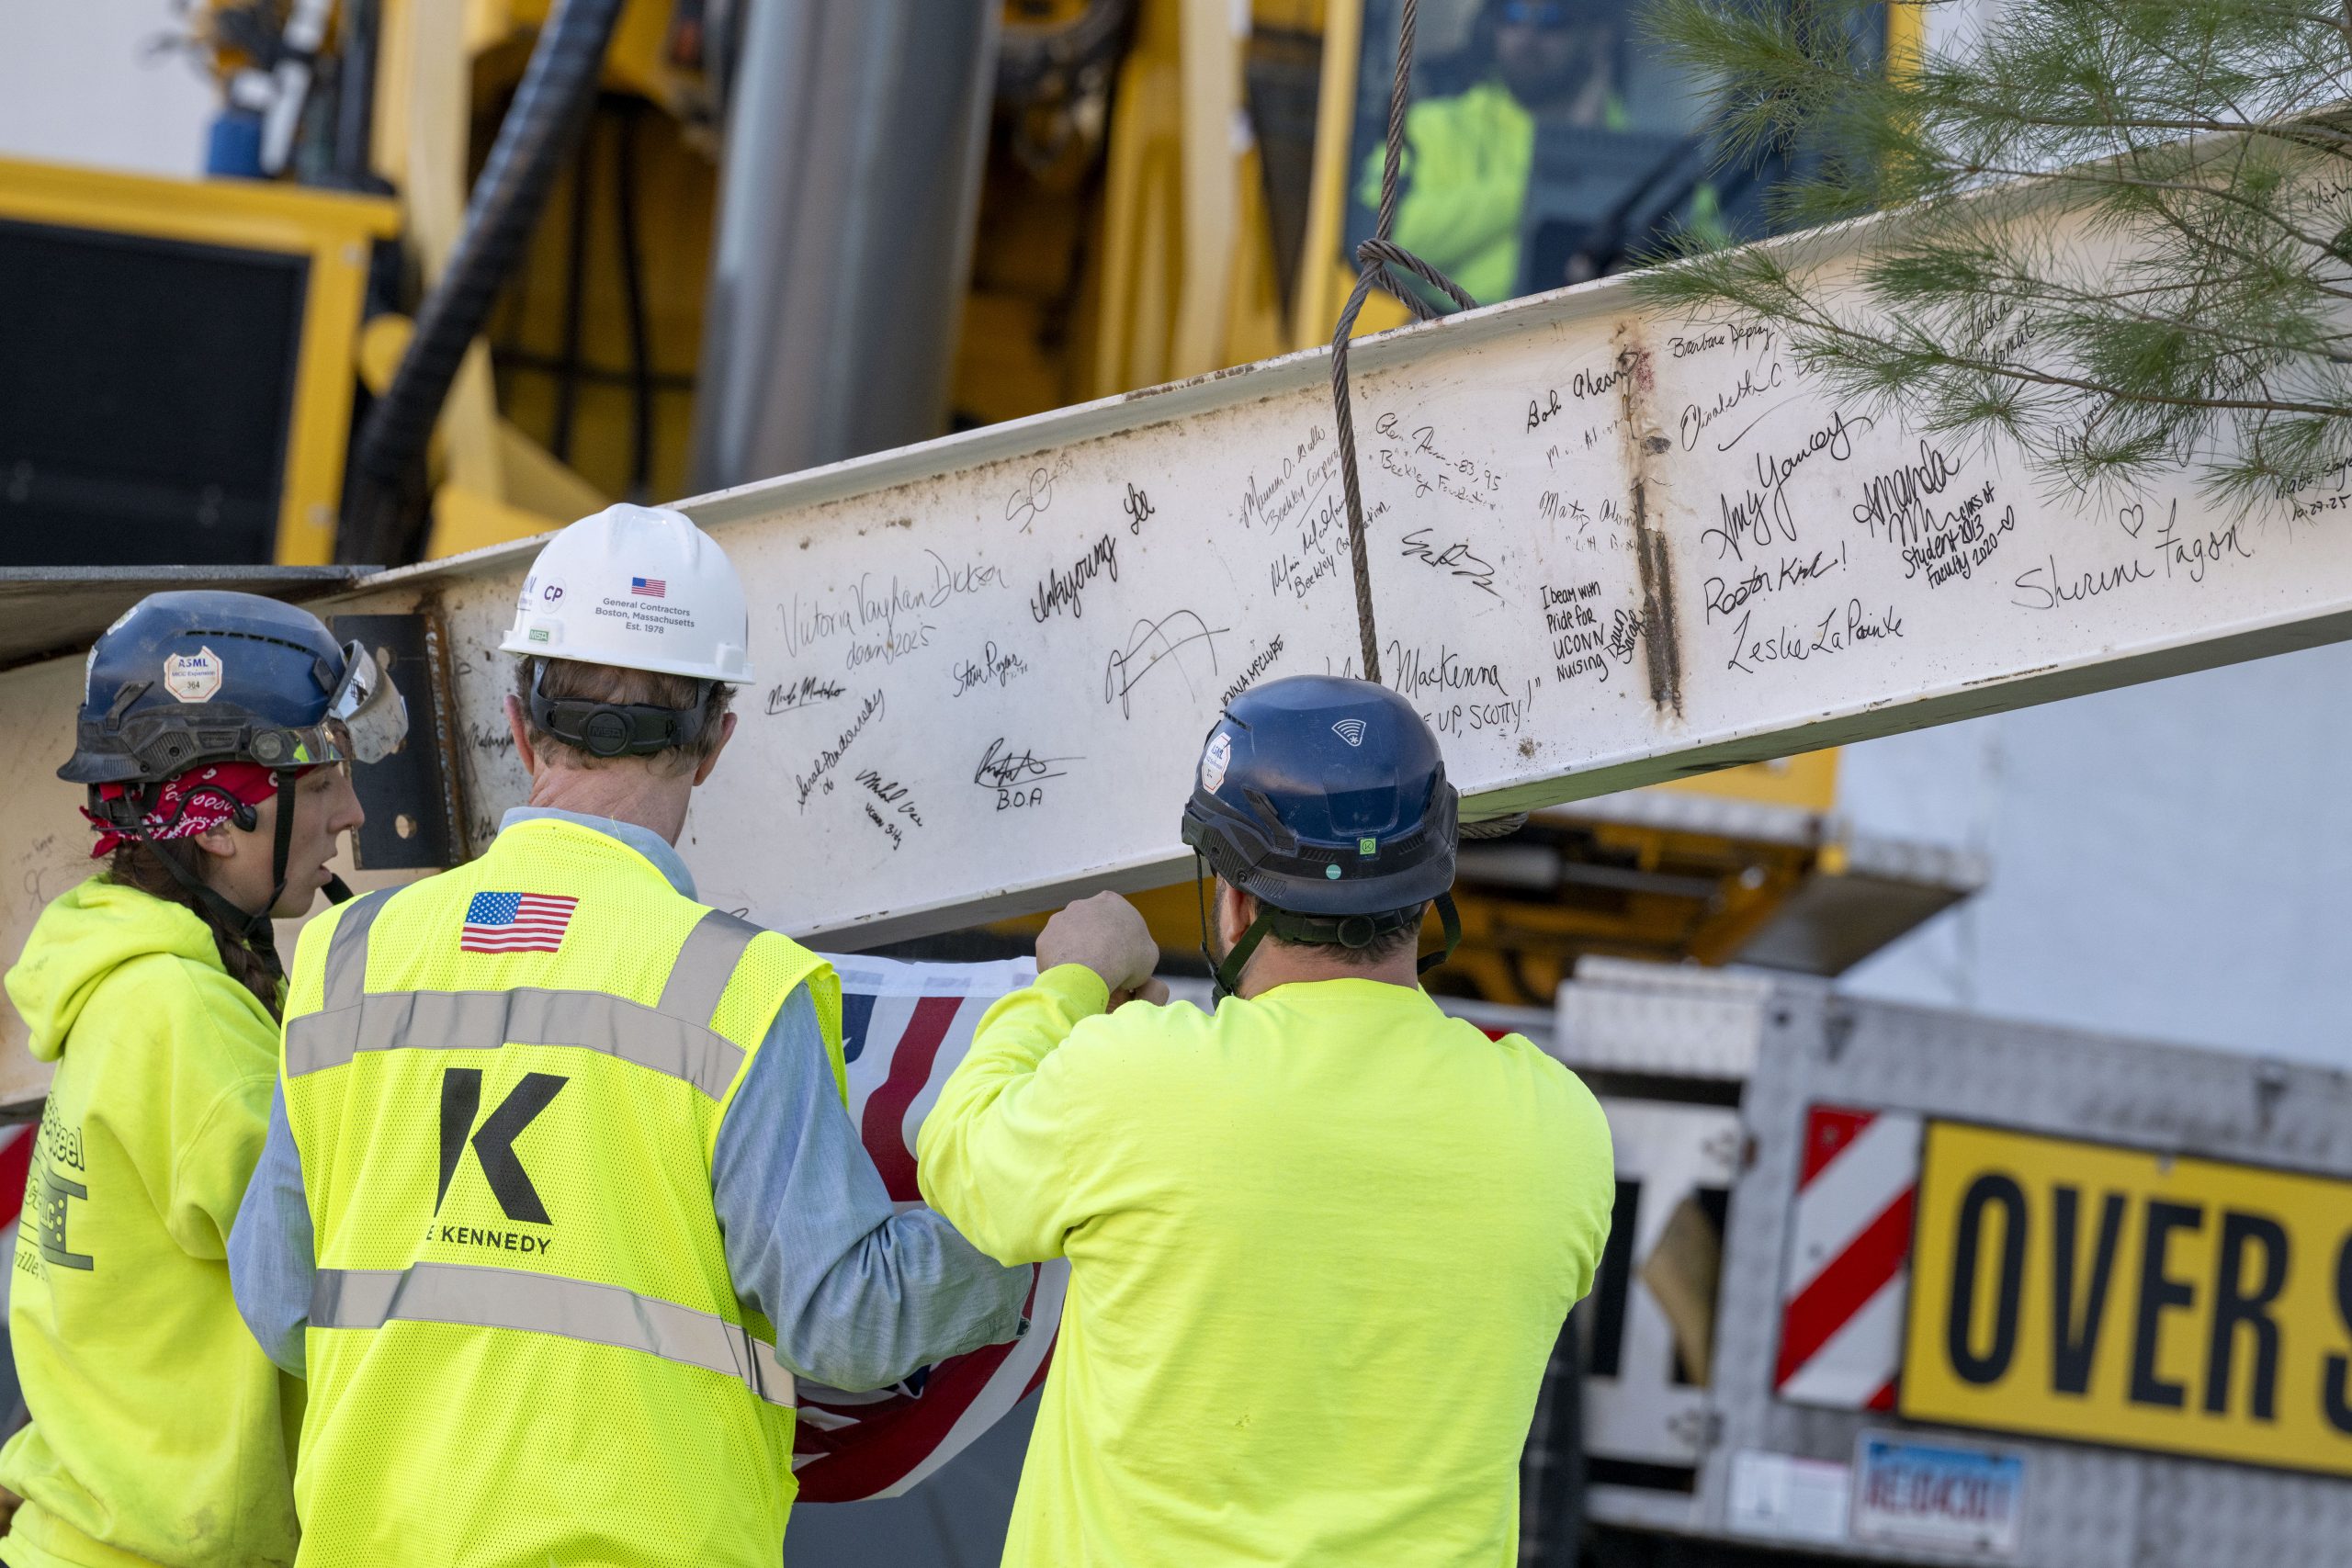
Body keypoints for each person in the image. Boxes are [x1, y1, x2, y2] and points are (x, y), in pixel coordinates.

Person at [226, 503, 1030, 1566]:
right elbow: (851, 1321)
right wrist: (1039, 1229)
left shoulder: (348, 961)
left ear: (518, 723)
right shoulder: (736, 990)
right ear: (714, 741)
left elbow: (282, 1303)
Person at [918, 674, 1618, 1566]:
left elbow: (958, 1158)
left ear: (1235, 901)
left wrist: (1068, 983)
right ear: (1428, 888)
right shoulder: (1557, 1130)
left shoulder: (1137, 1081)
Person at [4, 591, 405, 1568]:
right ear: (220, 822)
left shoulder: (134, 977)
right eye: (319, 788)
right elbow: (333, 1303)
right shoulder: (184, 1020)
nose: (352, 816)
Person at [1366, 0, 1635, 304]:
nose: (1527, 36)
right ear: (1489, 29)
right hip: (1455, 333)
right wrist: (1550, 176)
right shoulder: (1429, 128)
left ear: (1594, 38)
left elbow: (1692, 248)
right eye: (1513, 14)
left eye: (1553, 19)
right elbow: (1382, 242)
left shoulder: (1642, 148)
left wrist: (1587, 146)